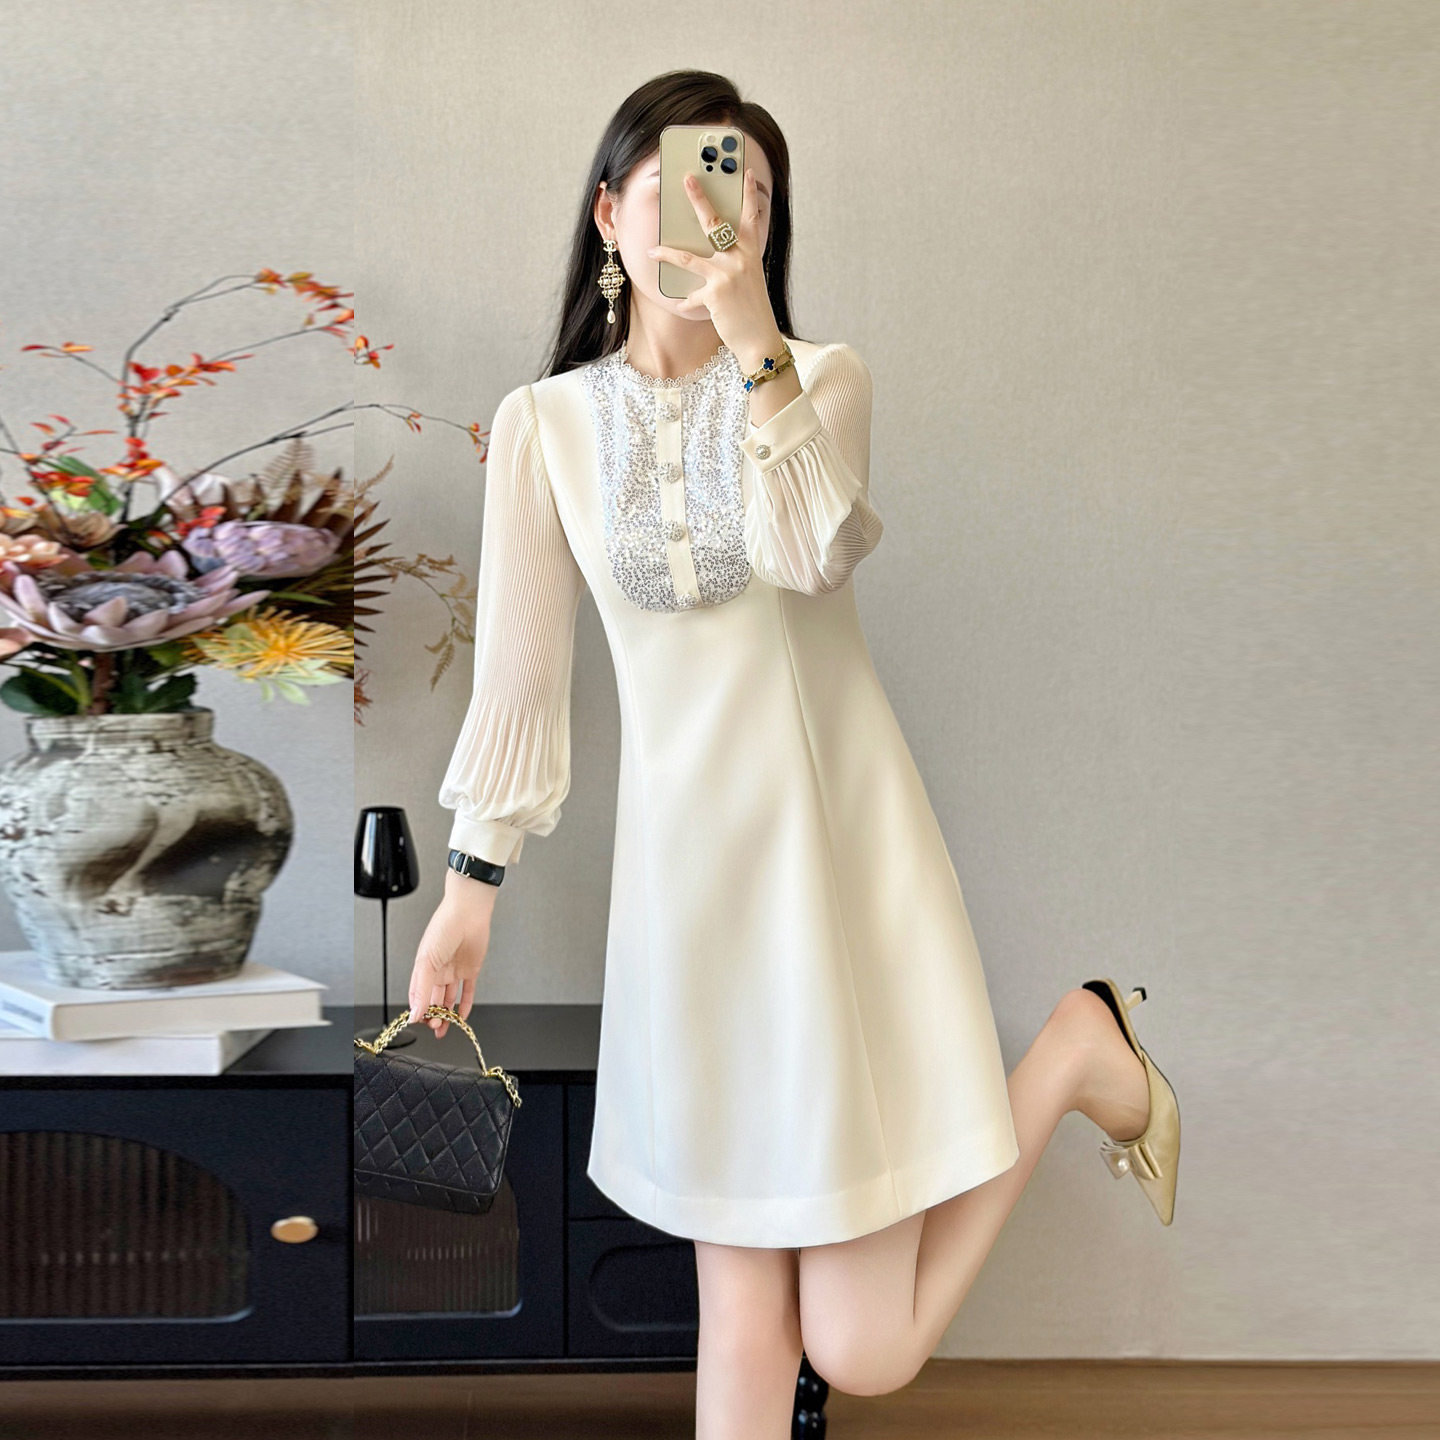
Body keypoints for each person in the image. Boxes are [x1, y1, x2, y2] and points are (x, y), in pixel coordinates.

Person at [407, 68, 1181, 1439]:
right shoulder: (543, 426)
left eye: (750, 195)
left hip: (836, 872)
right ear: (609, 212)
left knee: (865, 1350)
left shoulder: (821, 380)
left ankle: (1075, 1049)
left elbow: (814, 553)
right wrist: (471, 892)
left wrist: (753, 338)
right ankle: (1076, 1045)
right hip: (689, 900)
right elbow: (522, 676)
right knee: (743, 1321)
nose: (722, 215)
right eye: (686, 185)